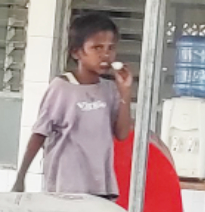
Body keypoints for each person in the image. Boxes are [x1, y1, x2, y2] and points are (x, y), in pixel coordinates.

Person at [13, 11, 131, 198]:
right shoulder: (62, 87)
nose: (105, 55)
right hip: (67, 185)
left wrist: (125, 92)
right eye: (97, 48)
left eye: (110, 48)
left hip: (101, 186)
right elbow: (40, 133)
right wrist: (21, 177)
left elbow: (122, 133)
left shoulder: (110, 89)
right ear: (77, 52)